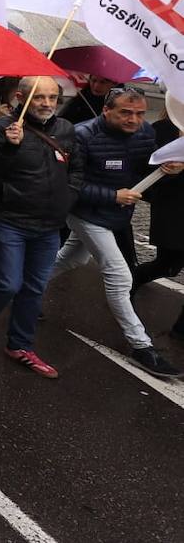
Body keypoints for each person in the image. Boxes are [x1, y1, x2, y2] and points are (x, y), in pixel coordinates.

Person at [48, 86, 182, 377]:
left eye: (138, 113)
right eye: (125, 112)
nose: (134, 119)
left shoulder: (146, 133)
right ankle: (141, 346)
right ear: (106, 110)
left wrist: (167, 168)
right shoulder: (82, 135)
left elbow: (143, 169)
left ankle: (23, 290)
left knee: (71, 260)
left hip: (116, 215)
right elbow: (68, 184)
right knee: (120, 276)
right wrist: (112, 196)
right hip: (84, 214)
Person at [0, 77, 82, 379]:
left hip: (49, 224)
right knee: (8, 282)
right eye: (39, 98)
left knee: (35, 288)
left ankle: (19, 345)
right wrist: (9, 147)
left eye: (53, 98)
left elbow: (77, 169)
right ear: (22, 97)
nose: (47, 104)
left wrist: (68, 197)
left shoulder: (66, 129)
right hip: (9, 220)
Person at [134, 115, 184, 339]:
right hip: (174, 210)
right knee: (167, 265)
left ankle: (181, 329)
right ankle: (129, 284)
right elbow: (146, 169)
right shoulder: (165, 129)